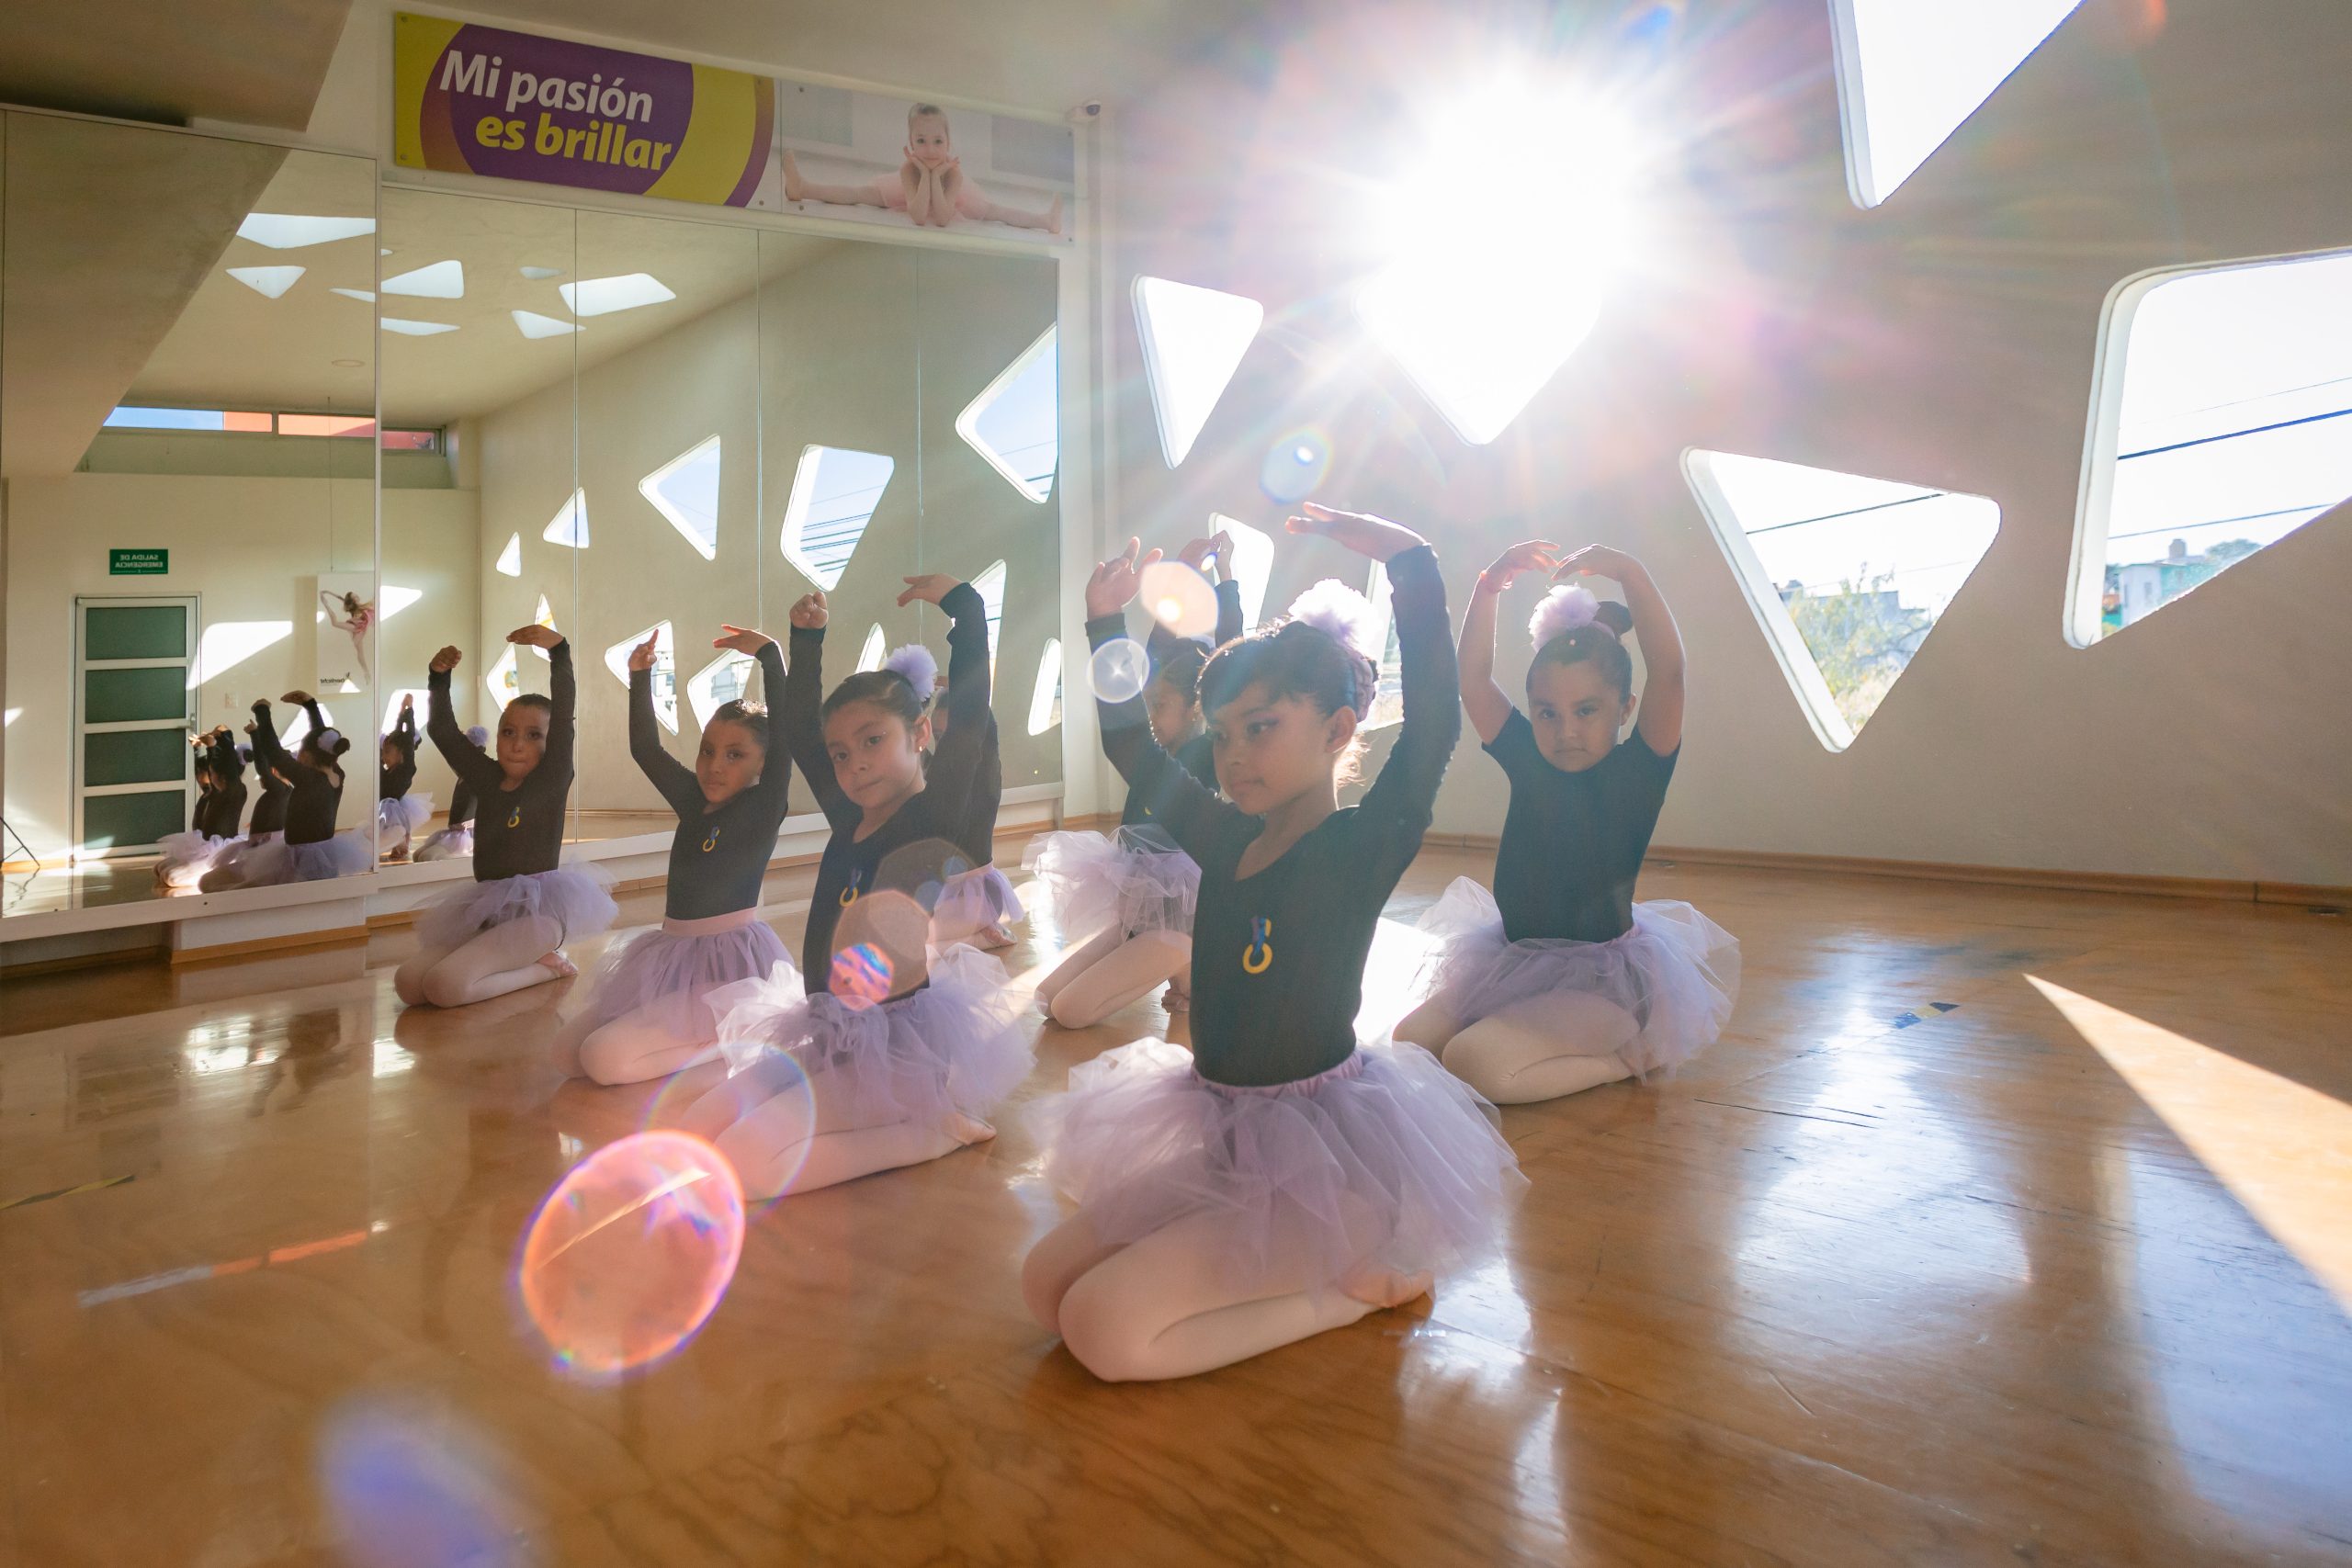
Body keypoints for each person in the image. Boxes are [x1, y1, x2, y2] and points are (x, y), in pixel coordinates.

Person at [1021, 507, 1522, 1383]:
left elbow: (1435, 725)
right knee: (1043, 1284)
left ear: (1337, 730)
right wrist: (1104, 624)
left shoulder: (1362, 843)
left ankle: (1358, 1288)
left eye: (1261, 728)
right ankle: (1256, 1252)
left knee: (1102, 1329)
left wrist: (1411, 563)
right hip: (1226, 1138)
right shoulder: (1224, 836)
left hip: (1329, 1169)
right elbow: (1132, 742)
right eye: (1222, 734)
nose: (1233, 756)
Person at [673, 576, 1030, 1201]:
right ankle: (884, 1116)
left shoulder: (931, 816)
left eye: (873, 740)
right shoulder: (848, 812)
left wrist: (965, 607)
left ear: (920, 735)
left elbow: (972, 714)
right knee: (694, 1128)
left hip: (891, 1051)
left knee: (743, 1165)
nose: (855, 762)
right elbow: (799, 731)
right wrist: (805, 639)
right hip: (828, 1035)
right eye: (841, 753)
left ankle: (932, 1129)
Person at [1394, 542, 1738, 1100]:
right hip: (1511, 961)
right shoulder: (1528, 756)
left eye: (1587, 711)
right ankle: (1523, 1031)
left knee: (1475, 1063)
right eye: (1547, 713)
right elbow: (1473, 680)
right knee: (1411, 1040)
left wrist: (1631, 573)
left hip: (1600, 985)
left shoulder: (1639, 769)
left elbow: (1669, 673)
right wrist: (1488, 588)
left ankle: (1627, 1056)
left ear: (1625, 708)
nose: (1566, 730)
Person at [552, 624, 794, 1085]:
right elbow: (645, 748)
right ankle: (705, 1032)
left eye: (735, 755)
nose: (714, 766)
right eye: (708, 751)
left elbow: (786, 742)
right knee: (566, 1054)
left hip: (728, 968)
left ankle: (741, 1033)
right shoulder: (693, 801)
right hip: (672, 955)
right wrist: (640, 676)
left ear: (762, 763)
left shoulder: (763, 808)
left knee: (602, 1060)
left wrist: (770, 658)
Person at [1025, 534, 1247, 1026]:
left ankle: (1191, 956)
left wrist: (1226, 577)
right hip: (1142, 911)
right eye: (1146, 704)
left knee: (1069, 1011)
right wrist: (1180, 583)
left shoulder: (1207, 750)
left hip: (1182, 914)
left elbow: (1231, 654)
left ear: (1198, 709)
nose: (1149, 714)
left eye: (1159, 705)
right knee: (1045, 999)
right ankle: (1183, 970)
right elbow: (1152, 658)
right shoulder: (1152, 755)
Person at [394, 627, 616, 1010]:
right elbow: (442, 731)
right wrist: (438, 678)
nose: (516, 744)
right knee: (409, 984)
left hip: (537, 920)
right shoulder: (486, 776)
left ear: (550, 743)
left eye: (533, 736)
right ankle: (515, 963)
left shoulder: (551, 779)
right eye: (508, 732)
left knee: (446, 987)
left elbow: (564, 715)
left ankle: (546, 969)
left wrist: (559, 652)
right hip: (488, 913)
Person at [783, 103, 1064, 235]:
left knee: (996, 211)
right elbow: (918, 216)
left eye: (938, 142)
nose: (930, 149)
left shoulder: (954, 173)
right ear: (911, 143)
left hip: (951, 200)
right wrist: (923, 173)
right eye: (921, 141)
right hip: (910, 193)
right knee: (861, 193)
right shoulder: (908, 170)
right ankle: (803, 188)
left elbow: (941, 219)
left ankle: (1045, 220)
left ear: (948, 143)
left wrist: (936, 175)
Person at [199, 694, 370, 889]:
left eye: (300, 752)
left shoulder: (309, 779)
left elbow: (274, 752)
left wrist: (262, 711)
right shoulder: (337, 774)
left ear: (306, 755)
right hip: (308, 855)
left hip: (301, 864)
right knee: (212, 883)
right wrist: (310, 706)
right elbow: (323, 741)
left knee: (214, 886)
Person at [413, 726, 487, 861]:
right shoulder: (463, 773)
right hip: (454, 833)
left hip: (466, 835)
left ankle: (468, 858)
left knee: (427, 857)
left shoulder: (478, 774)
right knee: (417, 855)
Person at [376, 695, 433, 863]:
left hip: (393, 808)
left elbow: (407, 739)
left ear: (401, 753)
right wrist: (401, 712)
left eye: (387, 752)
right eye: (383, 751)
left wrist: (409, 710)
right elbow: (400, 734)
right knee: (387, 830)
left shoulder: (406, 768)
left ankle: (401, 848)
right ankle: (396, 847)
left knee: (397, 829)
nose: (384, 756)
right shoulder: (390, 768)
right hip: (386, 804)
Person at [320, 589, 375, 688]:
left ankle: (367, 673)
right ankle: (366, 673)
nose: (357, 597)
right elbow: (341, 598)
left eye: (356, 595)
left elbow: (340, 597)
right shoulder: (353, 607)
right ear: (352, 600)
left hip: (361, 626)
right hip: (355, 625)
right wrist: (326, 596)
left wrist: (328, 592)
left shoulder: (362, 606)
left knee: (360, 651)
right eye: (354, 597)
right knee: (335, 623)